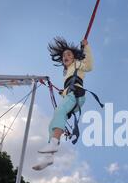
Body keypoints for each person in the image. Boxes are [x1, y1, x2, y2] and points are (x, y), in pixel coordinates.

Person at [32, 37, 93, 171]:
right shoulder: (67, 72)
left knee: (59, 112)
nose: (66, 56)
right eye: (64, 55)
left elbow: (89, 66)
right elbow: (69, 85)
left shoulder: (78, 64)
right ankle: (49, 157)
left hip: (77, 94)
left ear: (74, 57)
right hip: (71, 95)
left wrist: (86, 47)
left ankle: (53, 145)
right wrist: (63, 92)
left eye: (69, 54)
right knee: (53, 123)